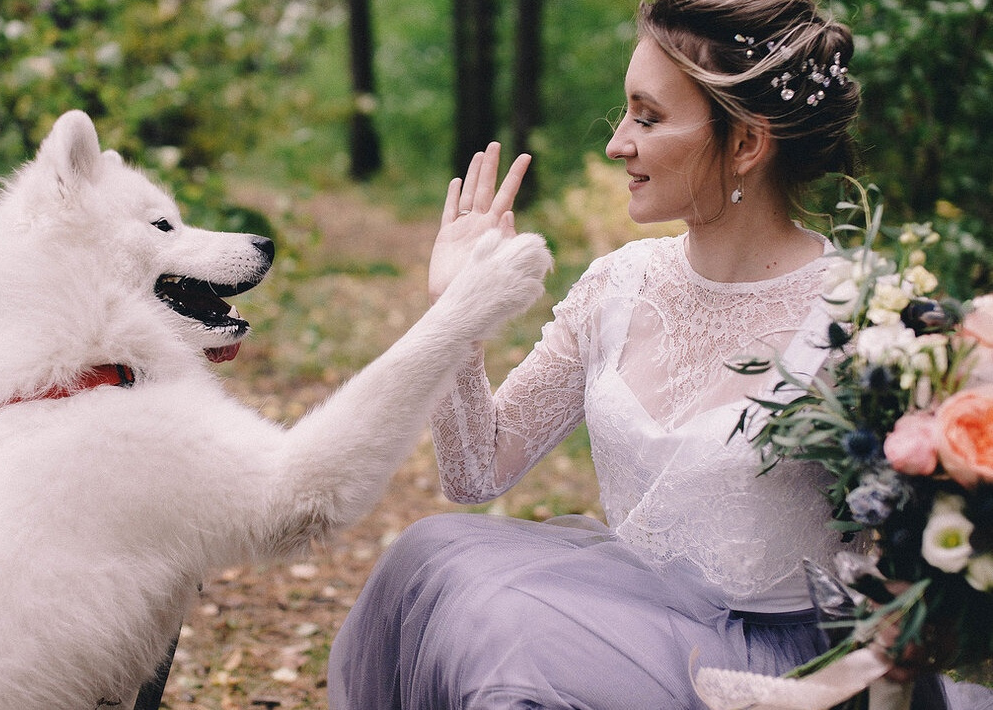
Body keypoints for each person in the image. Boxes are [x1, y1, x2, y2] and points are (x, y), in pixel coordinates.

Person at [327, 0, 993, 708]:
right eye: (624, 114)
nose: (616, 143)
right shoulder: (616, 285)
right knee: (461, 585)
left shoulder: (867, 318)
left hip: (786, 676)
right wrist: (457, 315)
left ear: (744, 143)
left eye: (645, 118)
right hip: (614, 637)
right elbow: (475, 470)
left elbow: (918, 556)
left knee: (513, 637)